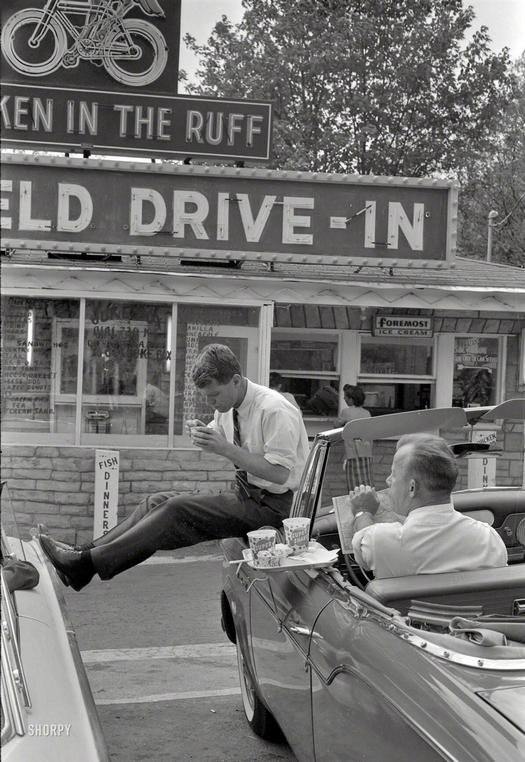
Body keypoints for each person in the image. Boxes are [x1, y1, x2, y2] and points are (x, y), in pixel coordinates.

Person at [39, 344, 310, 591]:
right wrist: (204, 433)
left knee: (176, 509)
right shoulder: (229, 405)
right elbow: (223, 433)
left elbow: (280, 474)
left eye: (214, 395)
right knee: (155, 501)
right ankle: (83, 555)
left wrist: (224, 448)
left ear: (236, 381)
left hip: (276, 508)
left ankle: (84, 565)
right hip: (247, 496)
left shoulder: (275, 410)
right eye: (206, 397)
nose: (211, 403)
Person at [349, 434, 507, 579]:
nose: (388, 480)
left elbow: (363, 547)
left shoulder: (383, 541)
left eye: (394, 474)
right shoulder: (489, 539)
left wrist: (362, 511)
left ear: (412, 487)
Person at [337, 385, 373, 490]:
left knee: (354, 485)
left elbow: (336, 426)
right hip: (366, 452)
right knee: (367, 482)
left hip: (353, 453)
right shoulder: (367, 413)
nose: (344, 398)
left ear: (351, 399)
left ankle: (356, 504)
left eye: (346, 397)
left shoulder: (346, 412)